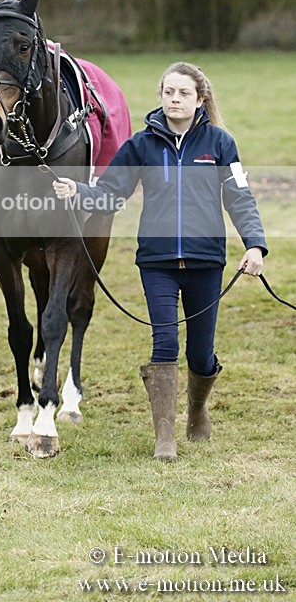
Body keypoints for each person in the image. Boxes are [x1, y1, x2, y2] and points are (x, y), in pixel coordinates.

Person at [53, 62, 267, 461]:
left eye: (183, 93)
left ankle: (197, 408)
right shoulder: (140, 146)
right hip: (157, 261)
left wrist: (254, 245)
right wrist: (78, 191)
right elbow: (111, 194)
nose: (174, 99)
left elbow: (240, 198)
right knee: (165, 341)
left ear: (199, 99)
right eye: (168, 92)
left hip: (206, 262)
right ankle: (164, 437)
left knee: (201, 353)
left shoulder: (220, 144)